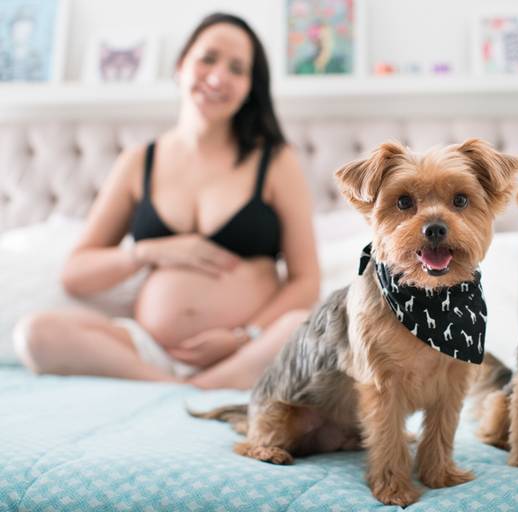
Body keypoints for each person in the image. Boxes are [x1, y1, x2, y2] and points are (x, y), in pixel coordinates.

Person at [13, 12, 320, 390]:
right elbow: (76, 274)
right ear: (181, 66)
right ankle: (179, 391)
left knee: (300, 328)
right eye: (208, 58)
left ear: (248, 87)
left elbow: (306, 281)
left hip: (247, 352)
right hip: (148, 352)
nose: (219, 76)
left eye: (237, 68)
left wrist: (246, 335)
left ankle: (188, 390)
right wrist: (149, 252)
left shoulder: (275, 161)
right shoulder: (138, 163)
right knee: (35, 334)